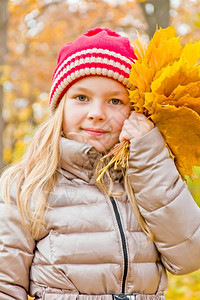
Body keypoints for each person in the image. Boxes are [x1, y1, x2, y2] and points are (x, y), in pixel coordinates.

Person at [0, 27, 200, 300]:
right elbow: (5, 285)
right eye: (81, 98)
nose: (97, 114)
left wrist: (150, 157)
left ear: (135, 112)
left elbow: (189, 256)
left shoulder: (147, 176)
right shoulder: (26, 185)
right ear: (60, 106)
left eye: (115, 101)